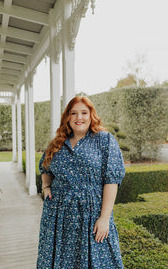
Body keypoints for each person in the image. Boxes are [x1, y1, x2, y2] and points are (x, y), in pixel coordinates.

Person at [37, 96, 125, 269]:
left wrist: (104, 218)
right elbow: (45, 169)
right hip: (58, 218)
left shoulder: (104, 140)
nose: (79, 118)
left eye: (84, 112)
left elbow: (112, 180)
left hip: (91, 216)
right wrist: (46, 186)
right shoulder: (57, 143)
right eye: (74, 113)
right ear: (67, 117)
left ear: (91, 115)